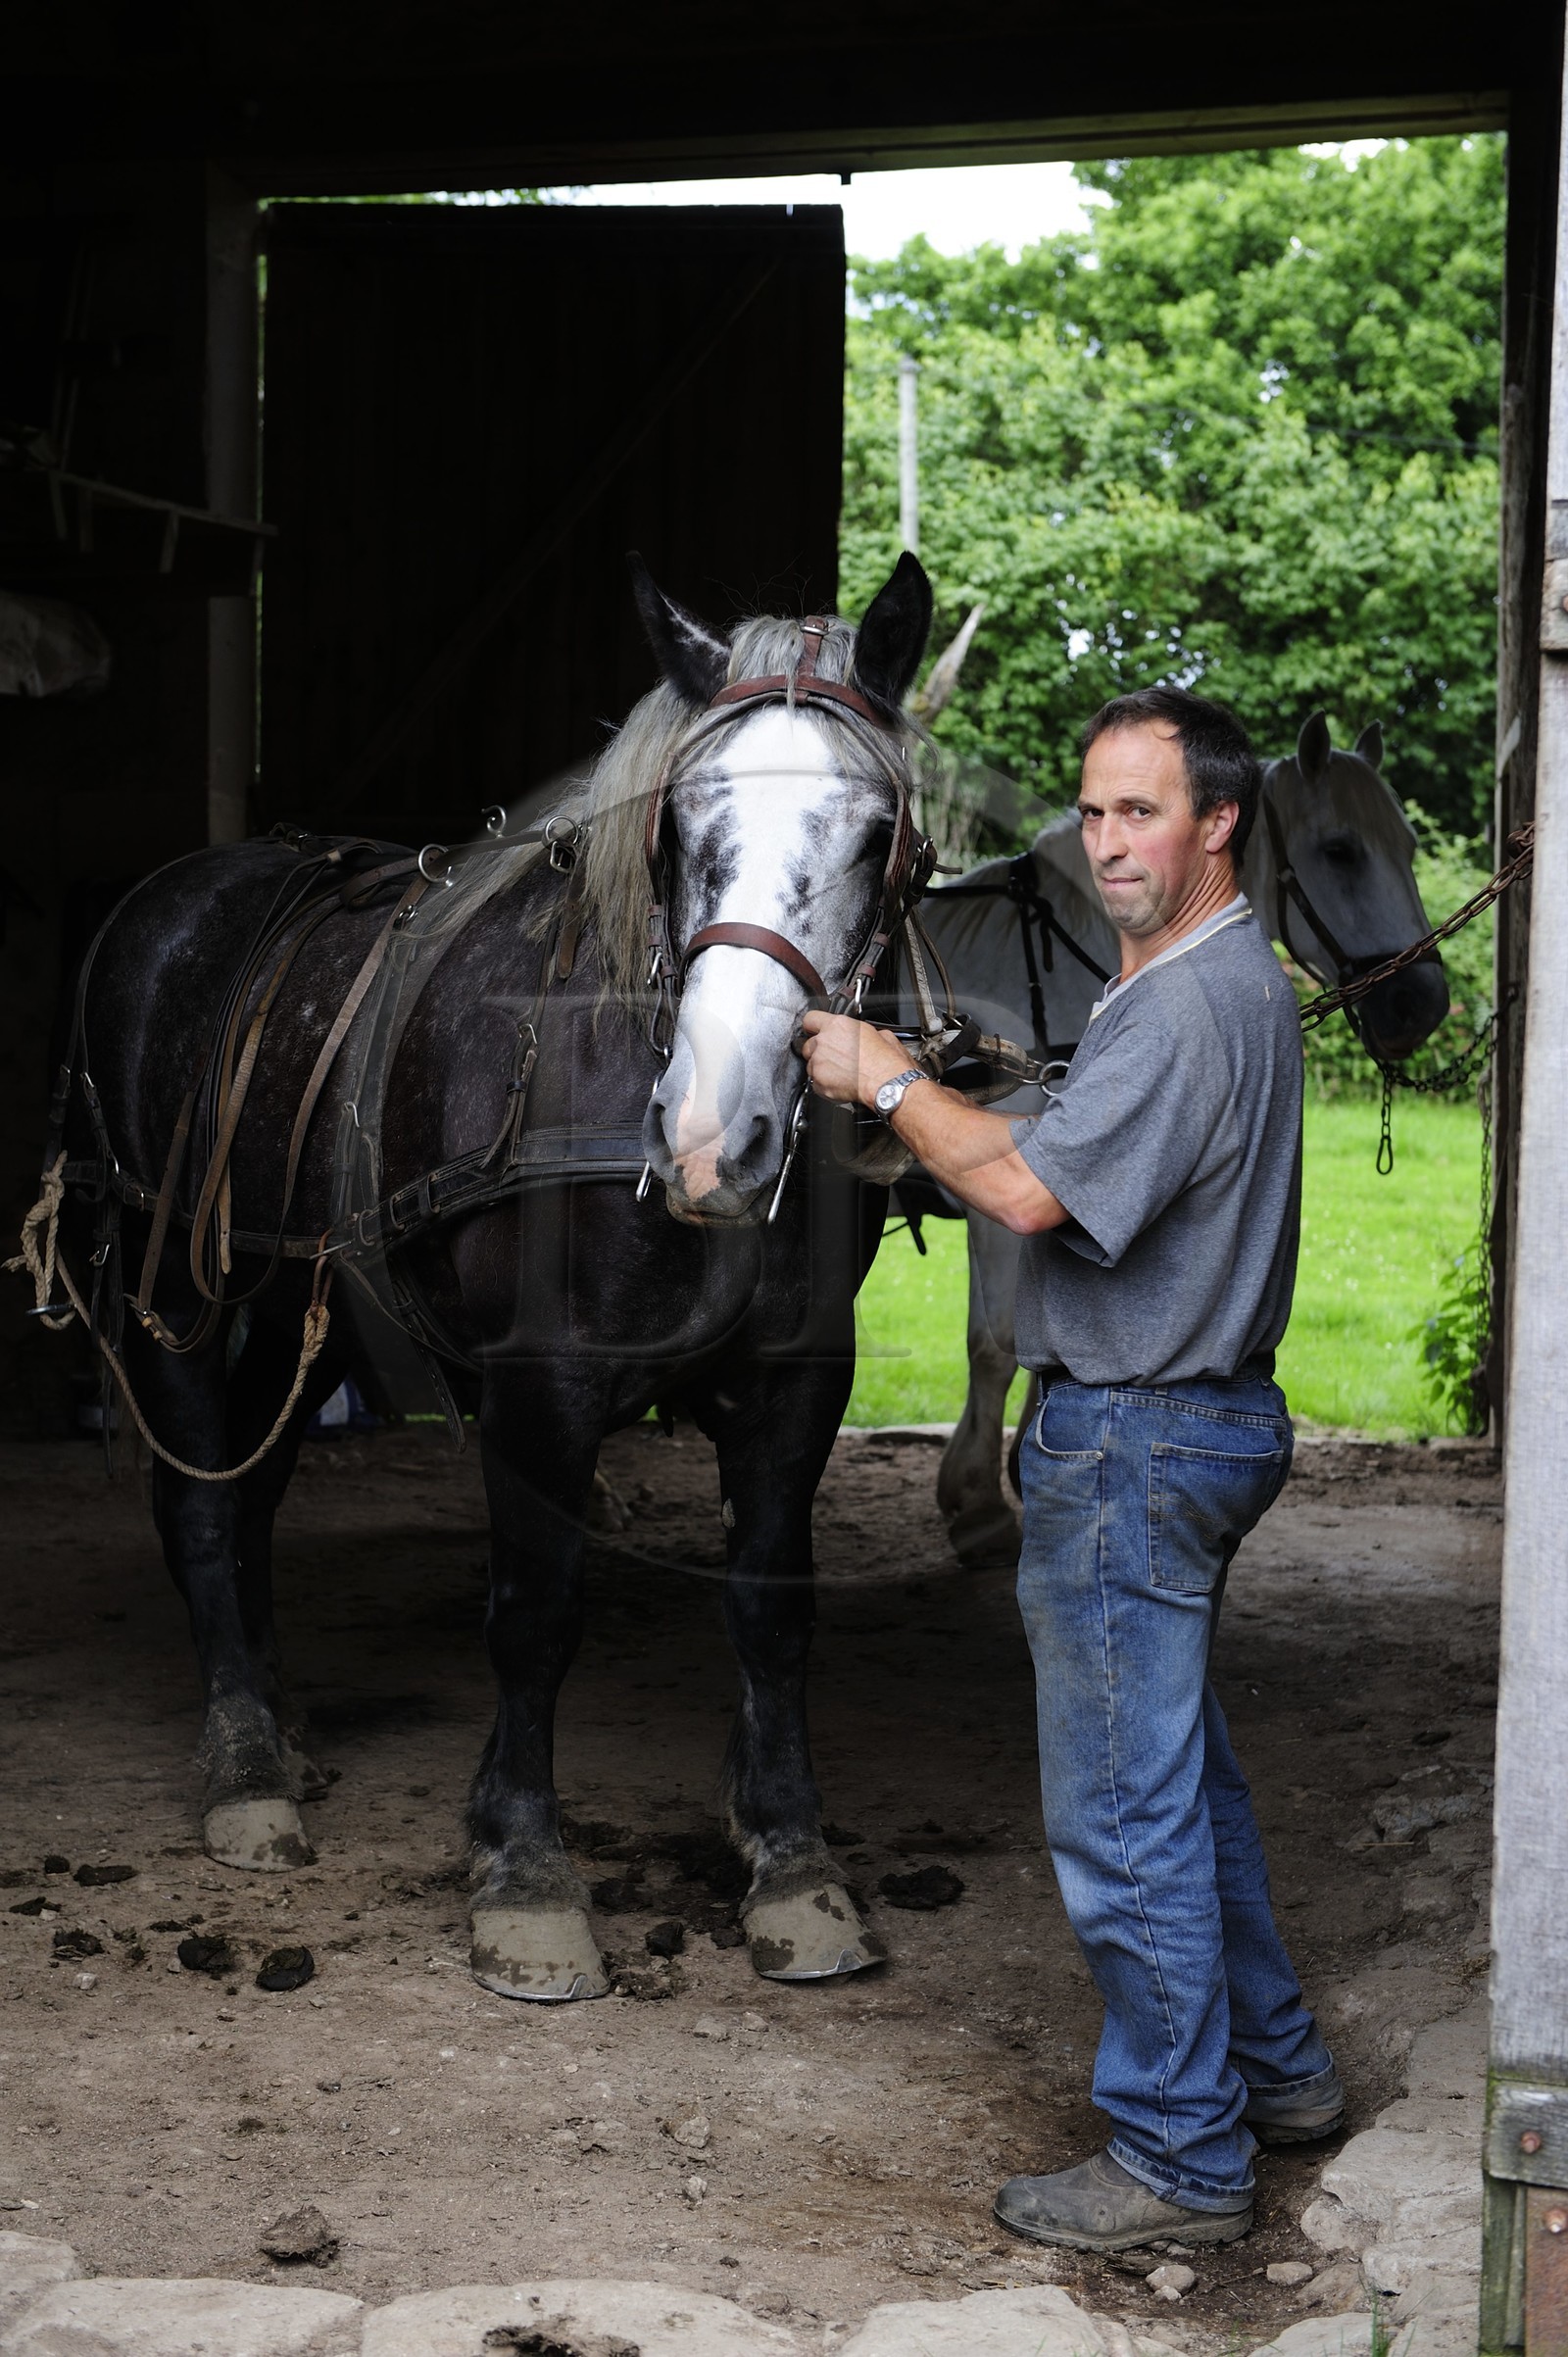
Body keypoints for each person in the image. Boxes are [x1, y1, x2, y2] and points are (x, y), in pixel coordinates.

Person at [801, 685, 1342, 2254]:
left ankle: (1179, 2152)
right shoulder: (1206, 976)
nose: (1107, 840)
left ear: (1219, 821)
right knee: (1190, 1783)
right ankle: (1281, 2074)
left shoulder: (1182, 1003)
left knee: (1125, 1817)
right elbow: (1075, 1134)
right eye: (1093, 810)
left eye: (1143, 812)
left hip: (1138, 1435)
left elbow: (1033, 1197)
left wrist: (890, 1078)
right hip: (1203, 1422)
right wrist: (987, 1085)